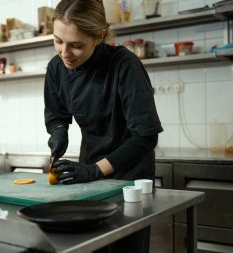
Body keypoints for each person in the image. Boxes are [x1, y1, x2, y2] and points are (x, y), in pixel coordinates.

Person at [44, 0, 163, 252]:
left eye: (76, 45)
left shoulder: (124, 65)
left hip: (129, 177)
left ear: (99, 36)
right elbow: (57, 113)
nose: (65, 53)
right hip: (87, 175)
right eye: (58, 41)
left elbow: (145, 137)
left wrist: (96, 171)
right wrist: (59, 131)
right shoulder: (57, 67)